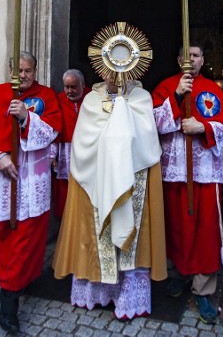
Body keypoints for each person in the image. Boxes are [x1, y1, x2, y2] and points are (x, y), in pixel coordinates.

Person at [53, 74, 167, 320]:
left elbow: (146, 139)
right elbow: (82, 141)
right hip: (97, 177)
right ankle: (97, 292)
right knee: (97, 234)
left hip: (133, 178)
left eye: (121, 68)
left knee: (131, 234)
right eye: (109, 69)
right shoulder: (91, 101)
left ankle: (128, 295)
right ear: (102, 70)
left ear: (133, 68)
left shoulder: (141, 98)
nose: (114, 75)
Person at [0, 51, 63, 333]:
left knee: (30, 236)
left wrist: (26, 119)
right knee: (10, 239)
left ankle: (23, 279)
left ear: (35, 70)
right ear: (11, 69)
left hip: (33, 179)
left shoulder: (46, 96)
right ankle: (8, 306)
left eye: (28, 70)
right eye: (19, 70)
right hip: (5, 179)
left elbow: (52, 133)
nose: (23, 75)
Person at [152, 44, 223, 324]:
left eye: (196, 55)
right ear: (178, 60)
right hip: (174, 172)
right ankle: (178, 274)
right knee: (176, 227)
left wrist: (203, 127)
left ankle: (203, 289)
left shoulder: (213, 89)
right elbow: (151, 123)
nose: (191, 60)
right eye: (186, 55)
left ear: (202, 60)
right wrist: (176, 97)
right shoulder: (166, 86)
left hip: (204, 173)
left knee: (204, 232)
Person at [50, 68, 86, 219]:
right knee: (64, 195)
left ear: (83, 85)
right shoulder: (57, 100)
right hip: (65, 152)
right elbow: (52, 130)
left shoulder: (93, 98)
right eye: (67, 87)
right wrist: (52, 155)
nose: (69, 91)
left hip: (87, 153)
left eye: (74, 87)